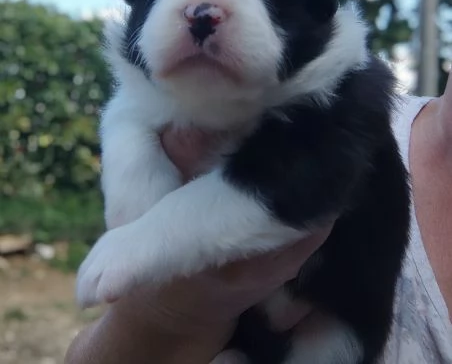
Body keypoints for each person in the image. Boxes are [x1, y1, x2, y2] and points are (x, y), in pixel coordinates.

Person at [65, 71, 452, 364]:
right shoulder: (376, 114)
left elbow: (280, 194)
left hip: (331, 321)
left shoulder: (350, 102)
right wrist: (167, 312)